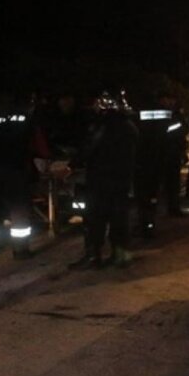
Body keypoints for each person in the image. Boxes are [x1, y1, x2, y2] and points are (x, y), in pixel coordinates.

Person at [0, 100, 52, 259]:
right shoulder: (29, 121)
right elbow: (39, 144)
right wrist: (45, 160)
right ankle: (20, 250)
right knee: (19, 210)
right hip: (16, 169)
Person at [70, 90, 138, 269]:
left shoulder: (102, 125)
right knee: (119, 217)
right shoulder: (129, 125)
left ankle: (93, 256)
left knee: (95, 217)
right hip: (122, 179)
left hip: (100, 179)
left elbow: (88, 148)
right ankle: (120, 255)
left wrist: (72, 164)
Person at [134, 91, 178, 236]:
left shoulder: (137, 113)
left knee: (142, 195)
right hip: (157, 158)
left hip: (141, 160)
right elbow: (172, 132)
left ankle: (144, 223)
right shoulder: (165, 113)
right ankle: (149, 223)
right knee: (152, 193)